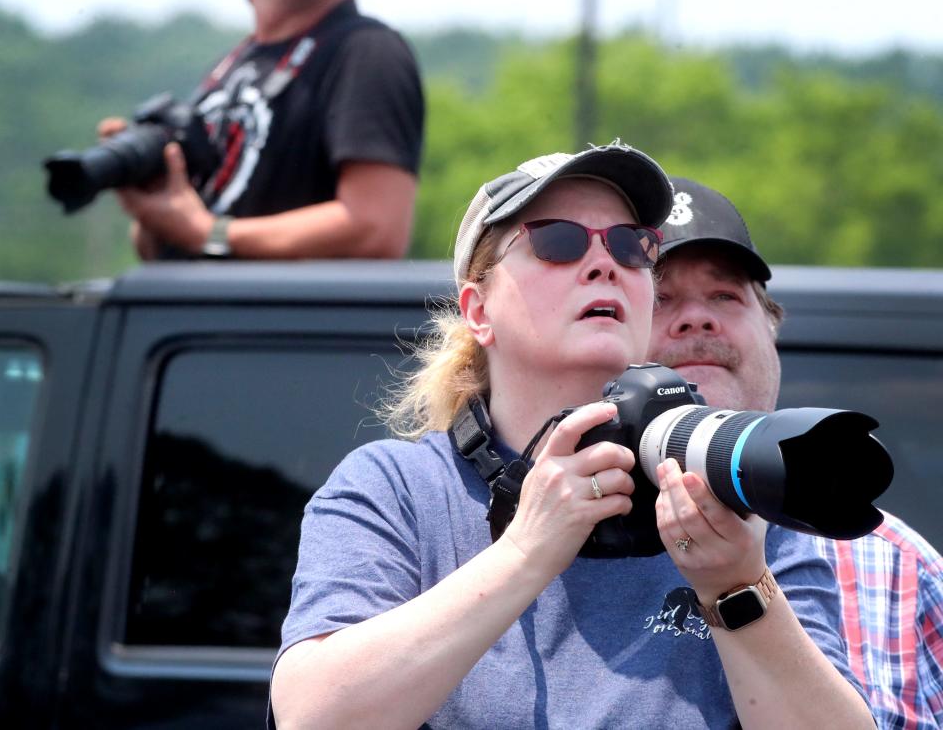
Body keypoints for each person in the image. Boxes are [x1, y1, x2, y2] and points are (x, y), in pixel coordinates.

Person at [268, 142, 872, 729]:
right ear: (479, 311)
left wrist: (737, 587)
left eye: (631, 246)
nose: (605, 262)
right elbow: (312, 715)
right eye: (557, 242)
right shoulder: (397, 489)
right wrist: (526, 551)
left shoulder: (729, 486)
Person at [649, 176, 943, 729]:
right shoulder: (565, 541)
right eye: (659, 298)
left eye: (725, 295)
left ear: (773, 330)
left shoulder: (900, 567)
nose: (696, 317)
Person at [98, 0, 424, 261]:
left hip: (279, 329)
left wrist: (208, 232)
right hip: (193, 327)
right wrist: (155, 209)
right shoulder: (227, 69)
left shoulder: (367, 52)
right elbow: (171, 243)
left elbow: (374, 228)